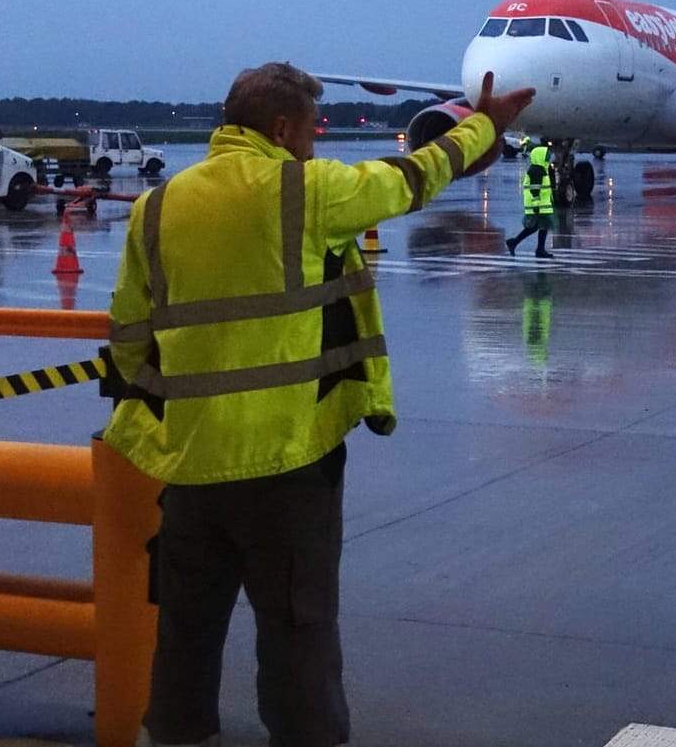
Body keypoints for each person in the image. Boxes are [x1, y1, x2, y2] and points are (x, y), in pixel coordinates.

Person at [105, 62, 533, 747]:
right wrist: (485, 122)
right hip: (285, 460)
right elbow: (412, 177)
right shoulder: (303, 191)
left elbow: (127, 335)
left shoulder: (156, 206)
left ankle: (177, 738)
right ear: (281, 128)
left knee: (184, 629)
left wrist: (187, 406)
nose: (315, 140)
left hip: (188, 462)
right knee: (298, 631)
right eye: (311, 127)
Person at [505, 140, 555, 258]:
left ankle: (516, 242)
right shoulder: (537, 170)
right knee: (541, 226)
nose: (548, 158)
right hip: (539, 204)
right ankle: (539, 250)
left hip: (541, 203)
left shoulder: (540, 168)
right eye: (546, 156)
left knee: (535, 227)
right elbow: (535, 188)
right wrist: (536, 203)